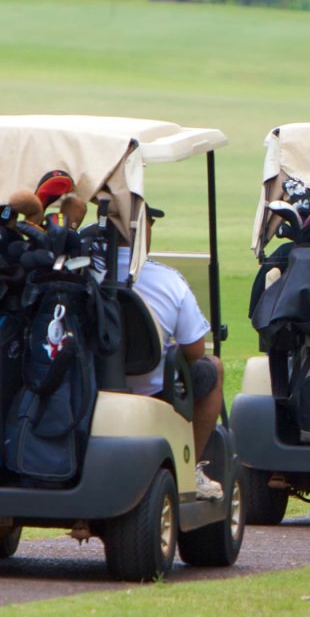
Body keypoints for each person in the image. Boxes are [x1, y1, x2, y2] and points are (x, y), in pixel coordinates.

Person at [115, 209, 225, 501]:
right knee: (212, 367)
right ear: (142, 230)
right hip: (155, 389)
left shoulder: (84, 272)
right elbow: (195, 350)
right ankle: (190, 470)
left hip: (93, 384)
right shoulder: (168, 280)